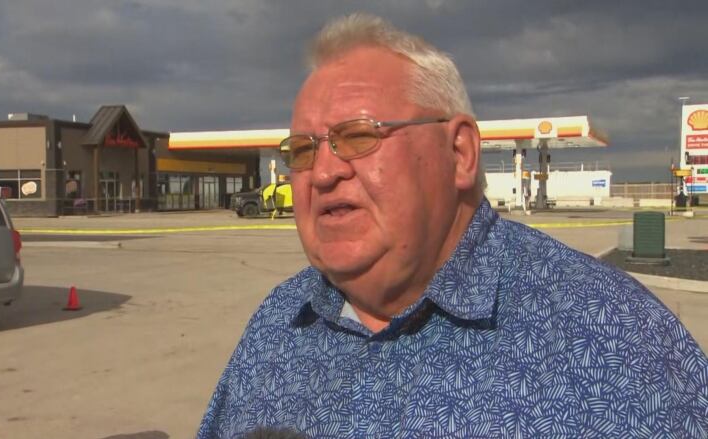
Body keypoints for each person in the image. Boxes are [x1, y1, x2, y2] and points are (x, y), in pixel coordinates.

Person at [198, 13, 708, 438]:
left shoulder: (611, 341)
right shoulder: (280, 321)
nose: (323, 171)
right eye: (303, 150)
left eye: (357, 136)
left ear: (460, 152)